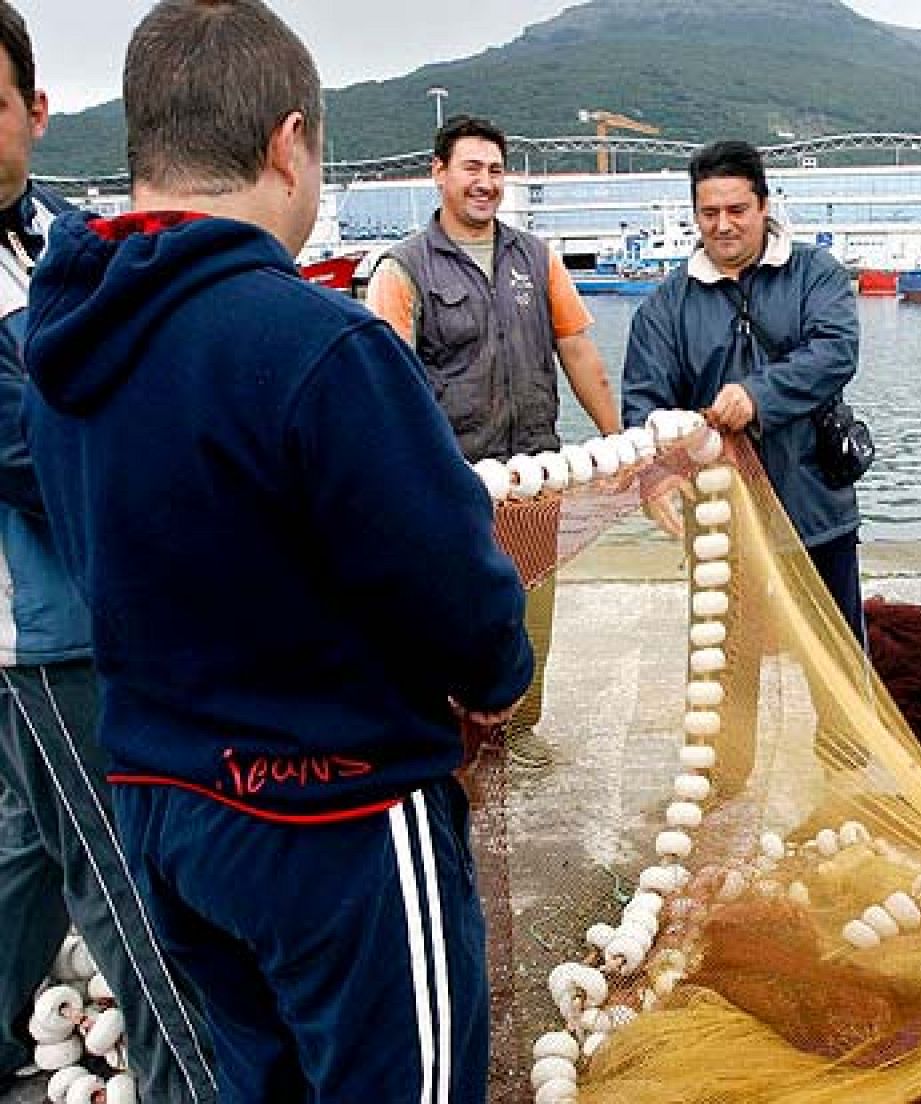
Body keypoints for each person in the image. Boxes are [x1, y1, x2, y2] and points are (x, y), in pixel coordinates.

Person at [21, 3, 532, 1101]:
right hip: (336, 818)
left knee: (259, 1080)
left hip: (163, 806)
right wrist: (497, 681)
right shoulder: (319, 347)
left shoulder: (61, 350)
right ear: (288, 143)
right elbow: (458, 593)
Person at [0, 5, 218, 1098]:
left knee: (27, 850)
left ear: (36, 110)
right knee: (129, 886)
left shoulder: (77, 240)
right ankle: (198, 1085)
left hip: (117, 605)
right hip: (45, 634)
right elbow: (31, 452)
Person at [367, 114, 619, 762]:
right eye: (471, 168)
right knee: (450, 619)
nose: (485, 183)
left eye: (496, 171)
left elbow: (579, 353)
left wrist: (618, 444)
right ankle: (452, 742)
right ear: (439, 173)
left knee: (533, 618)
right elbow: (387, 389)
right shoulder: (403, 269)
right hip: (453, 488)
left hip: (537, 479)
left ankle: (519, 733)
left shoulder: (537, 258)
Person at [622, 139, 865, 642]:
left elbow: (836, 351)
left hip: (816, 507)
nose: (723, 225)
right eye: (709, 213)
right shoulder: (664, 306)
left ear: (763, 206)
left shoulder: (815, 273)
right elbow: (644, 402)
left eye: (737, 210)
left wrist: (758, 396)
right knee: (726, 659)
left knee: (838, 650)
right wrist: (655, 472)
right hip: (718, 515)